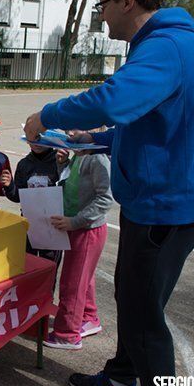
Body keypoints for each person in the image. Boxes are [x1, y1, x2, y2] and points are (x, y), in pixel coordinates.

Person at [24, 0, 194, 386]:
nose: (102, 15)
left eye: (103, 4)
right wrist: (97, 139)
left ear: (127, 1)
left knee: (143, 313)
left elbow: (114, 100)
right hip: (158, 201)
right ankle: (119, 378)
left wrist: (45, 114)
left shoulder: (166, 46)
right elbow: (147, 121)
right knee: (135, 302)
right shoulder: (168, 44)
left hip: (166, 207)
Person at [44, 147, 112, 350]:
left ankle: (67, 334)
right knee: (84, 277)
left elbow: (106, 198)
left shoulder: (98, 158)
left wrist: (75, 222)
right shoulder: (80, 154)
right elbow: (72, 185)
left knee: (72, 283)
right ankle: (88, 317)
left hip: (86, 230)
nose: (70, 133)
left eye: (77, 127)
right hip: (76, 225)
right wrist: (63, 163)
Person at [3, 142, 62, 262]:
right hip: (29, 224)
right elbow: (18, 196)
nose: (37, 142)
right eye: (33, 138)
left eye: (41, 137)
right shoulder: (24, 164)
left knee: (49, 267)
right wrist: (9, 186)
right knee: (28, 264)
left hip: (53, 226)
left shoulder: (60, 162)